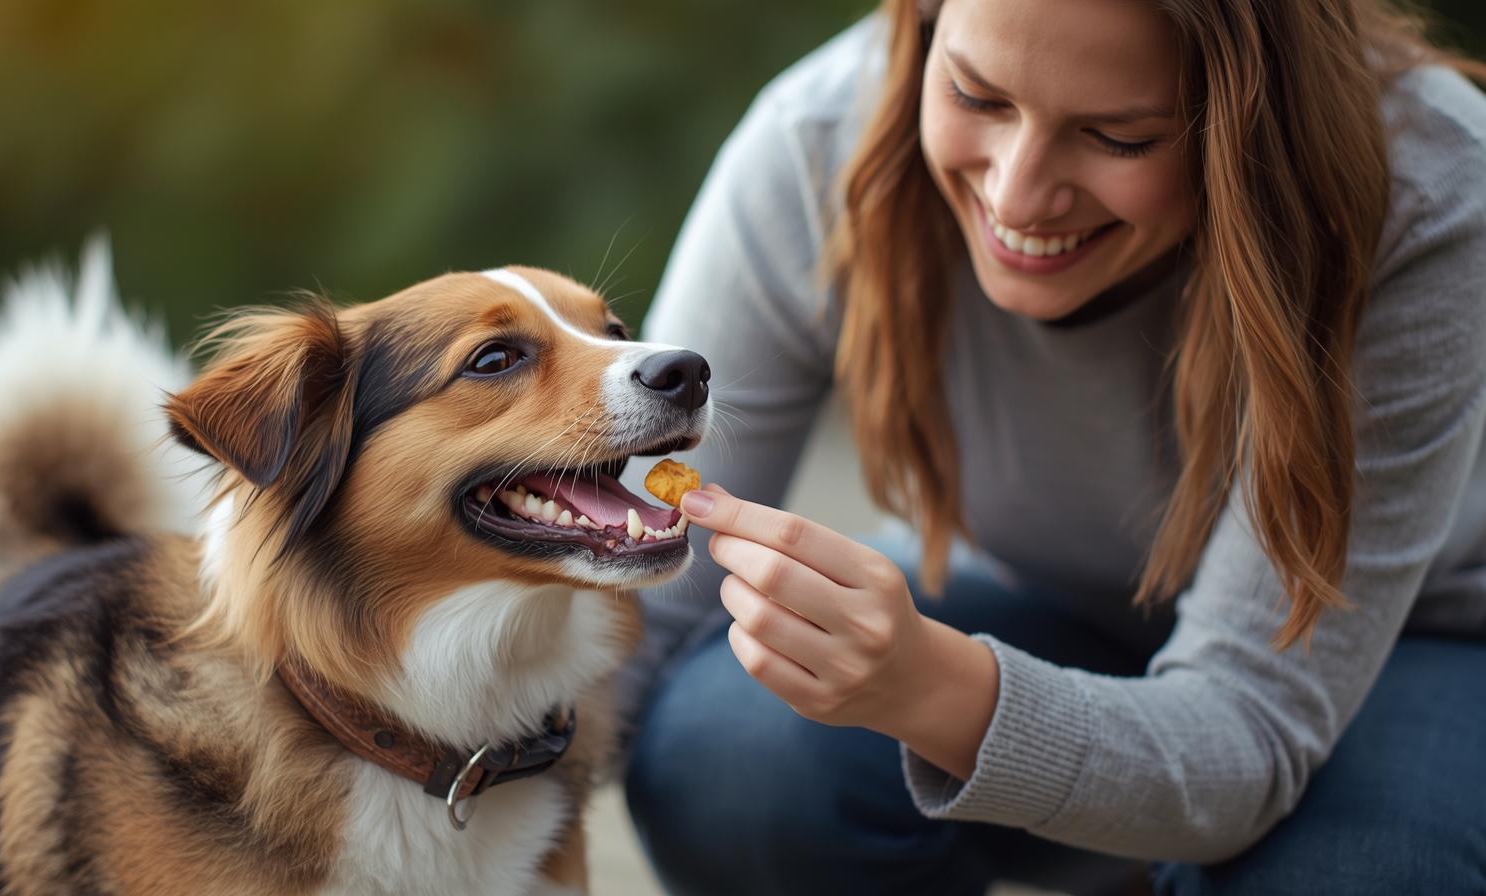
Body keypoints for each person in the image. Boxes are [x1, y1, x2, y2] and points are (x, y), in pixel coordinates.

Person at [616, 0, 1486, 893]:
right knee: (731, 755)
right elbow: (638, 618)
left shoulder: (1426, 185)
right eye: (976, 96)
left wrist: (929, 688)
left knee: (1358, 875)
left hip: (1410, 654)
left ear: (1251, 117)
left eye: (1118, 137)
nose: (1017, 197)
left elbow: (1242, 735)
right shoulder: (817, 141)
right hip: (1046, 605)